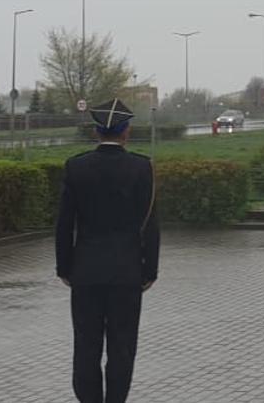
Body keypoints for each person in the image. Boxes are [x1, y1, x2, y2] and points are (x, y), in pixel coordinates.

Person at [56, 100, 160, 403]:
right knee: (122, 347)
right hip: (127, 273)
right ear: (127, 132)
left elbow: (65, 224)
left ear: (96, 131)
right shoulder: (142, 168)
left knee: (86, 346)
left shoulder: (76, 167)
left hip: (85, 272)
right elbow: (150, 224)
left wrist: (65, 268)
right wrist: (149, 270)